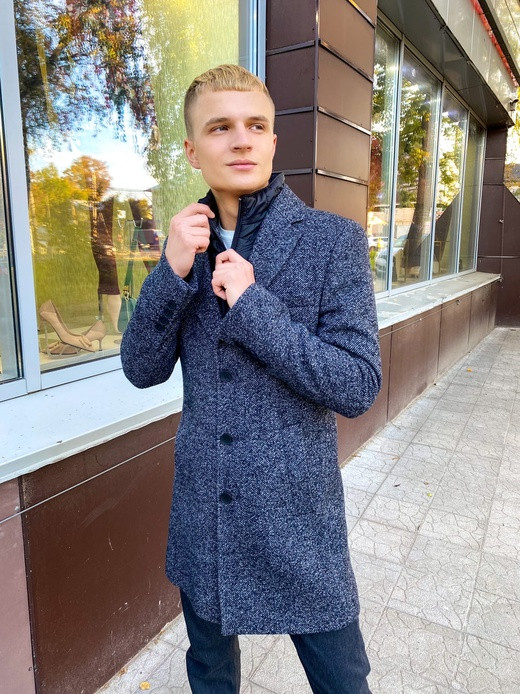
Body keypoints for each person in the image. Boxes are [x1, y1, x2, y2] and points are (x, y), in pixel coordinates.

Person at [120, 64, 381, 693]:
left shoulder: (332, 242)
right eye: (220, 127)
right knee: (210, 674)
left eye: (256, 126)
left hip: (298, 518)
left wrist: (253, 305)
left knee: (343, 682)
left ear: (272, 141)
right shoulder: (184, 248)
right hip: (205, 512)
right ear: (192, 150)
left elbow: (356, 384)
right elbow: (141, 369)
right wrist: (171, 274)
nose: (241, 140)